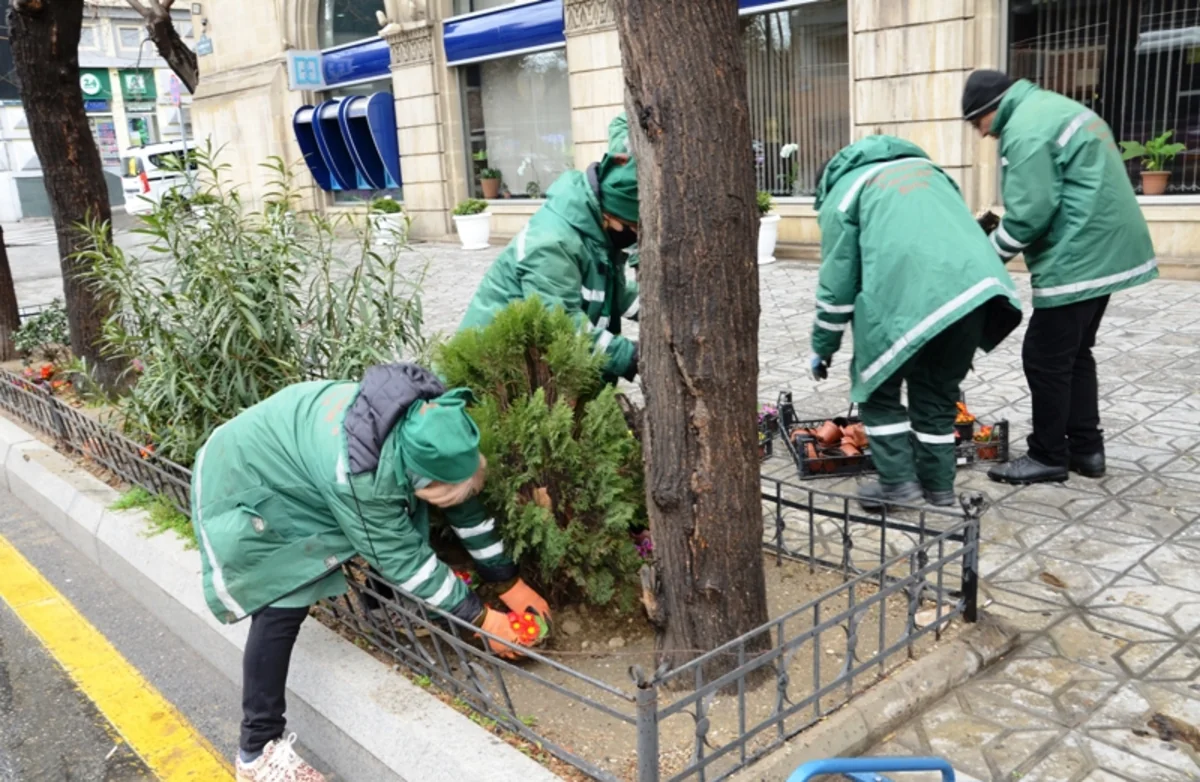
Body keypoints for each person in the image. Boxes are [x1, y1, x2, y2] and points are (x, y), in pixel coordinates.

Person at [190, 363, 551, 781]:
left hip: (295, 452)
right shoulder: (361, 475)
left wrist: (508, 581)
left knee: (394, 521)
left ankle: (382, 610)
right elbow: (401, 558)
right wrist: (484, 621)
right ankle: (256, 752)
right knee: (281, 599)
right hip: (244, 475)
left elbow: (463, 506)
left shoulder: (431, 434)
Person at [962, 70, 1158, 485]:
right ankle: (1086, 450)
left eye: (978, 124)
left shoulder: (1026, 128)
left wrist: (987, 256)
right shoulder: (1054, 109)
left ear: (991, 109)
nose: (983, 135)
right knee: (1075, 353)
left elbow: (1031, 212)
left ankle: (1047, 455)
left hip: (1080, 252)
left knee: (1044, 357)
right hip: (1109, 247)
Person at [809, 135, 1023, 510]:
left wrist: (823, 347)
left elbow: (837, 283)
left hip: (906, 298)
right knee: (937, 395)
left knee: (877, 391)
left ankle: (898, 485)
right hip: (975, 295)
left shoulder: (845, 191)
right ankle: (939, 488)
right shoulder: (931, 173)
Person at [459, 128, 642, 384]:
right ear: (608, 216)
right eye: (632, 228)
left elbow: (612, 292)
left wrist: (657, 311)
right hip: (490, 379)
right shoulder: (552, 244)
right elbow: (563, 328)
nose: (635, 237)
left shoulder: (594, 236)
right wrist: (632, 356)